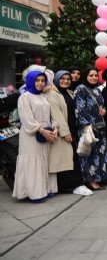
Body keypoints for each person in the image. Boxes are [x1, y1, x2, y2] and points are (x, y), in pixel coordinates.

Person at [13, 71, 57, 202]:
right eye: (37, 80)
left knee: (43, 161)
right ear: (31, 81)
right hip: (30, 135)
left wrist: (55, 128)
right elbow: (27, 119)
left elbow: (50, 116)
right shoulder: (25, 97)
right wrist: (41, 130)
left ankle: (44, 189)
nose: (40, 83)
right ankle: (33, 193)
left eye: (43, 81)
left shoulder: (43, 96)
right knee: (33, 162)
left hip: (46, 134)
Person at [46, 71, 92, 196]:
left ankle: (72, 184)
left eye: (68, 79)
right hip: (63, 133)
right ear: (56, 79)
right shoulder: (52, 94)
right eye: (62, 78)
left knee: (71, 158)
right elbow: (57, 115)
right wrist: (65, 133)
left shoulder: (67, 92)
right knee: (67, 159)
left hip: (72, 130)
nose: (65, 81)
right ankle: (75, 185)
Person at [75, 67, 107, 191]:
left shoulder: (97, 89)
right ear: (85, 76)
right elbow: (79, 108)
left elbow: (101, 105)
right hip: (89, 127)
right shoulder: (81, 89)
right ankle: (90, 180)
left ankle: (98, 177)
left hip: (99, 126)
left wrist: (104, 111)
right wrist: (85, 126)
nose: (94, 78)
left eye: (96, 75)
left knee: (100, 153)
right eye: (91, 75)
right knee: (89, 153)